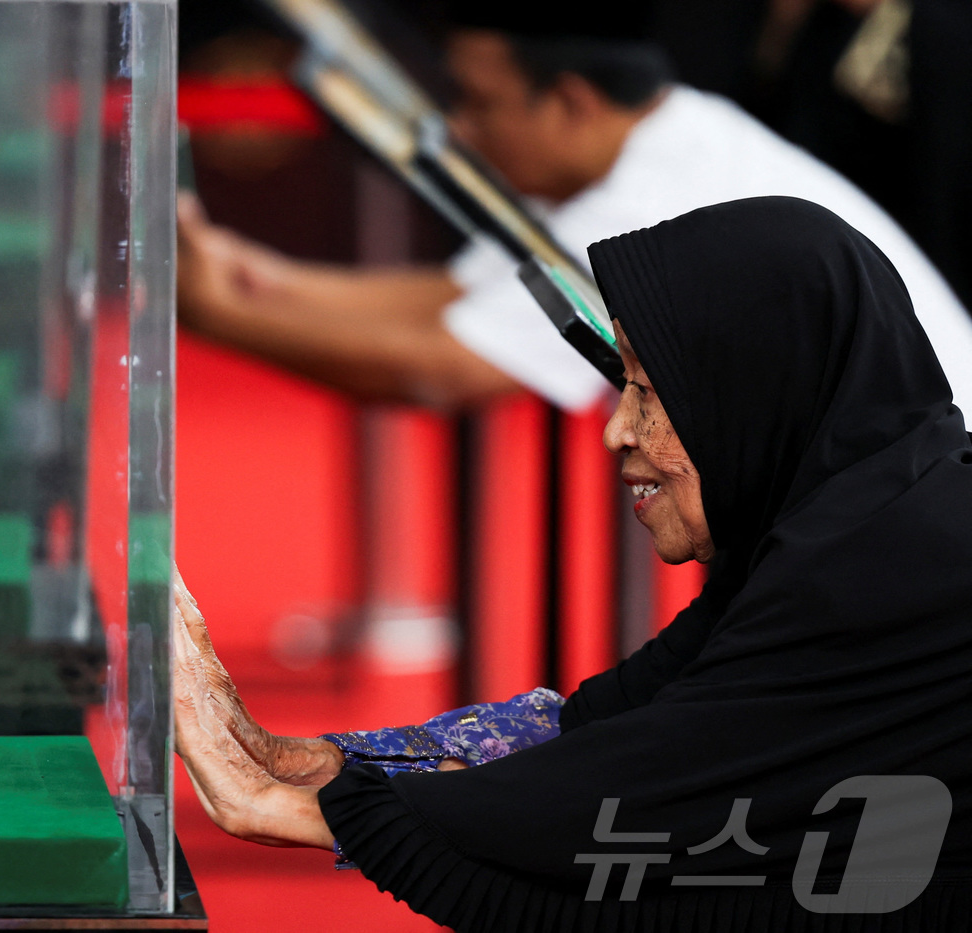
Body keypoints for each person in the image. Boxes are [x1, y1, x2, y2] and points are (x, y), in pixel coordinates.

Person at [173, 197, 972, 930]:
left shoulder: (899, 564)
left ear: (758, 390)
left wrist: (306, 808)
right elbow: (604, 727)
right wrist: (329, 763)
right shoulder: (853, 511)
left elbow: (631, 800)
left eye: (651, 392)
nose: (616, 431)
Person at [177, 1, 972, 413]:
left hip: (915, 520)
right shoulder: (660, 140)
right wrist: (264, 281)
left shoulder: (654, 199)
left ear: (570, 101)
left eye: (482, 104)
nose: (462, 129)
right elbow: (461, 301)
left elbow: (446, 366)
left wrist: (216, 314)